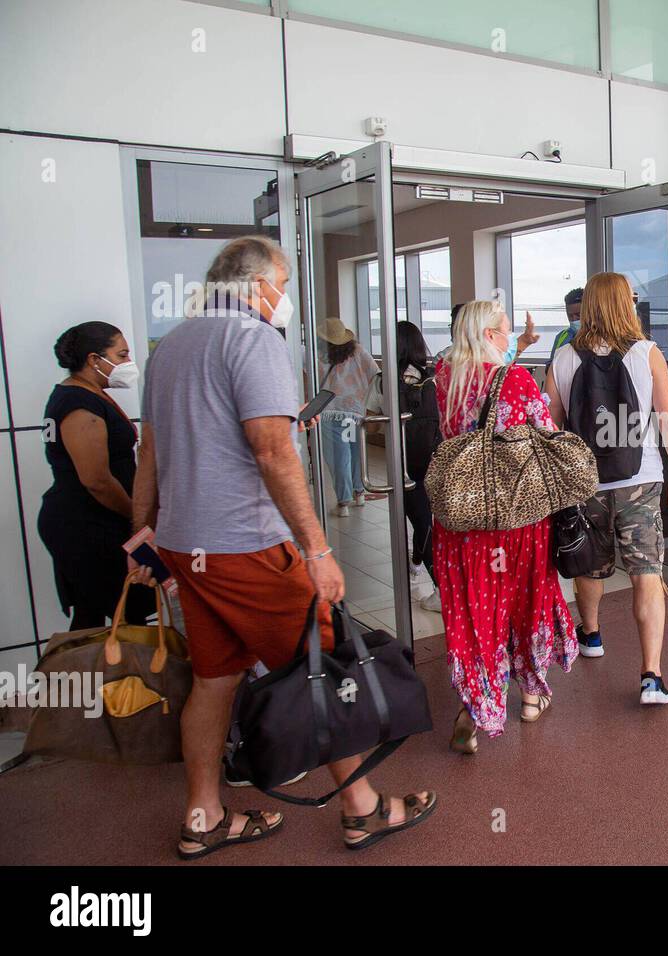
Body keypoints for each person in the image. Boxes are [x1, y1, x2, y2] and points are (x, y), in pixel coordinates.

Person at [131, 236, 433, 857]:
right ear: (254, 284)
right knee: (320, 670)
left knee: (214, 680)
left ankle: (203, 817)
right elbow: (271, 452)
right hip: (247, 545)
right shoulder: (252, 340)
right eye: (284, 285)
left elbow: (152, 452)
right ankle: (363, 809)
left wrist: (142, 538)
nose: (285, 299)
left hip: (188, 547)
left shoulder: (172, 346)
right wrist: (318, 552)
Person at [434, 299, 577, 751]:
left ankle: (472, 709)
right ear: (491, 334)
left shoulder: (445, 377)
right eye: (506, 331)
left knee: (476, 610)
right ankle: (531, 697)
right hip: (516, 515)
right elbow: (545, 429)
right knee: (527, 598)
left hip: (463, 517)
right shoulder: (513, 378)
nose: (509, 338)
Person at [544, 272, 668, 705]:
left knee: (589, 563)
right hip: (640, 480)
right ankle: (651, 676)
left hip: (584, 482)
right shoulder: (646, 353)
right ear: (624, 305)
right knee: (647, 573)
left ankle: (590, 635)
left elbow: (549, 426)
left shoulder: (564, 358)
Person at [38, 322, 152, 628]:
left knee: (105, 611)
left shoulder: (84, 394)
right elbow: (96, 480)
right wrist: (137, 519)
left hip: (93, 519)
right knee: (118, 610)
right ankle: (109, 675)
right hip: (87, 524)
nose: (129, 363)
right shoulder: (78, 403)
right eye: (122, 354)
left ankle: (107, 675)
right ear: (94, 360)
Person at [394, 320, 441, 613]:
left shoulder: (384, 381)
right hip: (434, 460)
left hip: (403, 464)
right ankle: (417, 566)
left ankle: (441, 588)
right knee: (425, 519)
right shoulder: (434, 379)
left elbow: (372, 418)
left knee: (420, 520)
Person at [317, 316, 379, 517]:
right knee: (355, 454)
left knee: (339, 457)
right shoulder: (358, 352)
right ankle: (359, 492)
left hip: (330, 412)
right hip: (354, 413)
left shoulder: (319, 355)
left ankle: (344, 501)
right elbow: (376, 374)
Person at [547, 286, 584, 367]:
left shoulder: (598, 337)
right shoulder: (561, 337)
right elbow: (550, 364)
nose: (574, 319)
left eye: (578, 315)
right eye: (570, 315)